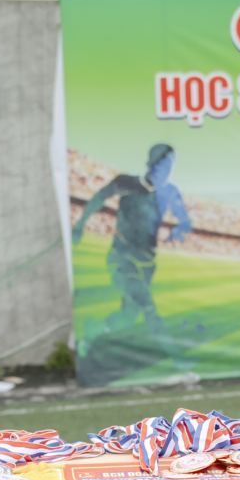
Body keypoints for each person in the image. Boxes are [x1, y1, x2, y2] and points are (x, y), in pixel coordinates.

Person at [71, 144, 193, 361]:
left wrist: (179, 229)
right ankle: (178, 360)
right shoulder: (126, 182)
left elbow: (184, 219)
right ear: (150, 163)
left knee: (127, 318)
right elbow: (99, 197)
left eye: (170, 166)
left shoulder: (170, 191)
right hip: (123, 257)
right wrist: (80, 225)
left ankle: (93, 331)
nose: (166, 171)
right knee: (148, 308)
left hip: (147, 263)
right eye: (162, 165)